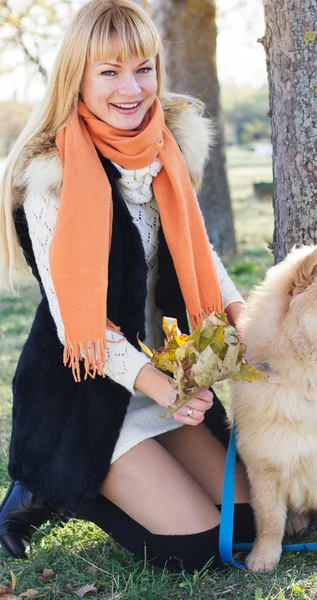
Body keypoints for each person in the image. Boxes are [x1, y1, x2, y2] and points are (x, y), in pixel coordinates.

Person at [0, 0, 255, 572]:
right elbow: (78, 326)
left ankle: (137, 462)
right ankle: (53, 484)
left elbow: (198, 251)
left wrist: (239, 314)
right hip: (88, 392)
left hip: (167, 376)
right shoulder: (50, 180)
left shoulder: (168, 149)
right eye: (109, 72)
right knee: (195, 547)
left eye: (143, 68)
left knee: (251, 520)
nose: (131, 88)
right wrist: (164, 393)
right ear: (78, 78)